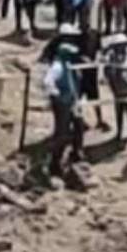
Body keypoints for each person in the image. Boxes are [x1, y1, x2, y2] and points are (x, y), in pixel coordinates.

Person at [43, 42, 84, 176]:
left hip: (72, 102)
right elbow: (48, 81)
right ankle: (54, 163)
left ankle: (76, 154)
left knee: (79, 125)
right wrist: (57, 95)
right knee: (61, 132)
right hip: (62, 104)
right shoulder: (58, 66)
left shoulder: (69, 66)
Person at [103, 33, 127, 141]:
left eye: (122, 45)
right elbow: (106, 70)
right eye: (118, 45)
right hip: (117, 88)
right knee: (119, 112)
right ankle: (119, 132)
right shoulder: (111, 56)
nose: (121, 47)